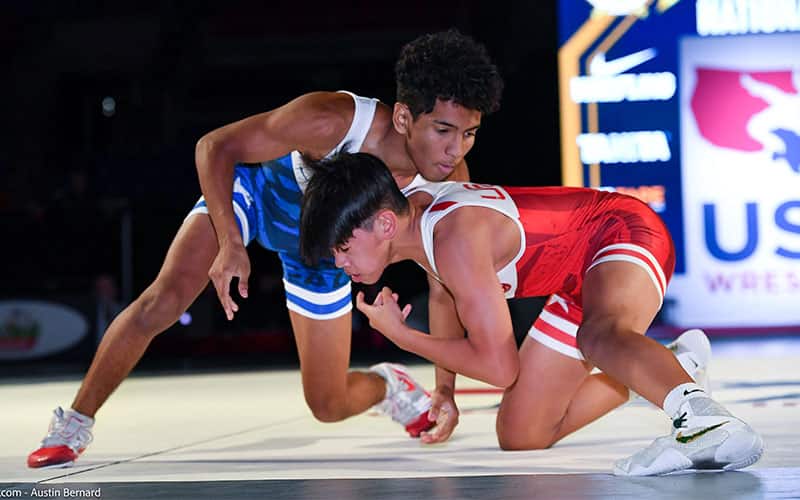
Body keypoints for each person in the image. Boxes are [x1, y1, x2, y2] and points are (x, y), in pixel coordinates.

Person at [27, 29, 504, 468]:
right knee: (164, 299)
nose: (455, 150)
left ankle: (388, 387)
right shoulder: (334, 118)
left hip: (324, 250)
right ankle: (75, 422)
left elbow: (445, 292)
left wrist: (445, 389)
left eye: (469, 134)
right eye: (443, 130)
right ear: (404, 116)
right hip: (258, 197)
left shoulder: (447, 186)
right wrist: (230, 241)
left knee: (328, 404)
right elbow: (215, 147)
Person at [298, 152, 765, 476]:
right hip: (574, 278)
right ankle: (674, 368)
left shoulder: (453, 240)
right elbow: (444, 300)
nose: (340, 263)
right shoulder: (413, 222)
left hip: (620, 232)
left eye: (342, 248)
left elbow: (501, 366)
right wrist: (444, 391)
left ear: (382, 224)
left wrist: (402, 337)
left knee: (598, 334)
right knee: (522, 434)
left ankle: (703, 420)